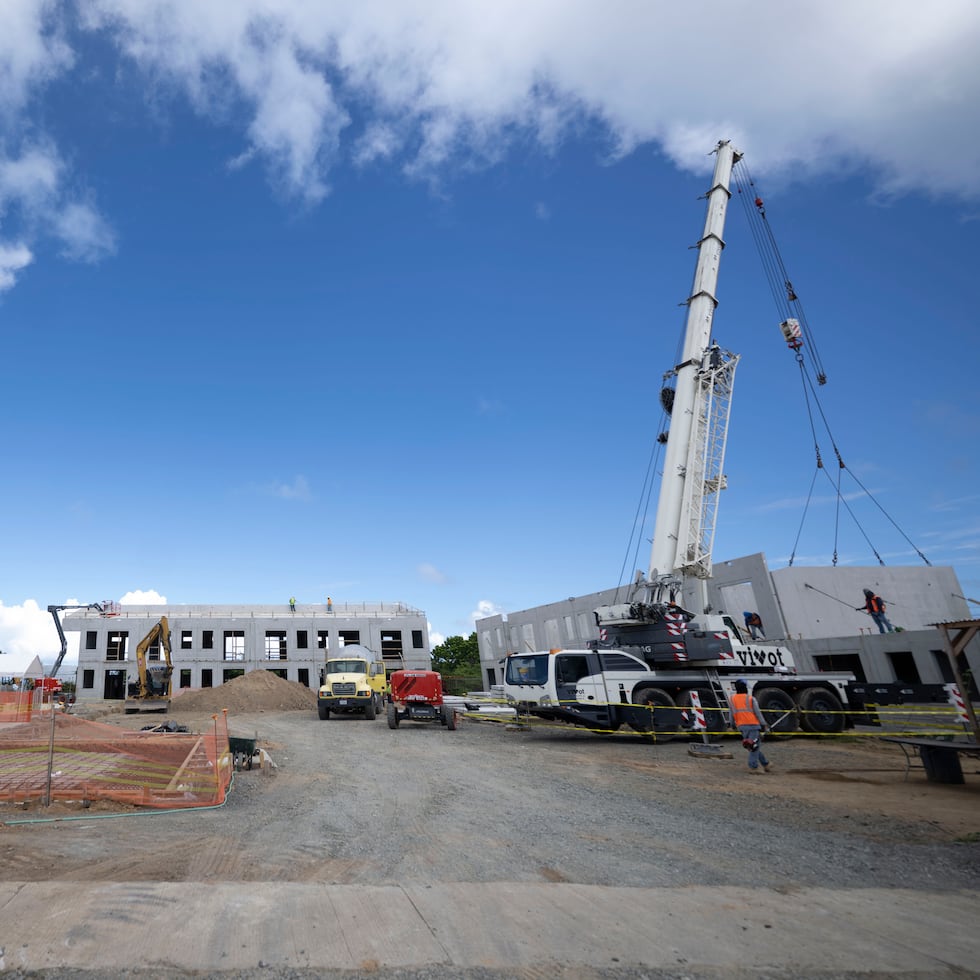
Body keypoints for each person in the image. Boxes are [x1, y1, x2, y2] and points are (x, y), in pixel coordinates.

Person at [731, 679, 771, 773]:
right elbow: (758, 713)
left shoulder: (732, 699)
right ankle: (753, 767)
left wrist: (733, 725)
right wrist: (764, 724)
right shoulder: (750, 698)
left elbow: (731, 713)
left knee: (751, 745)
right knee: (754, 746)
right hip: (752, 725)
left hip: (741, 726)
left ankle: (766, 764)